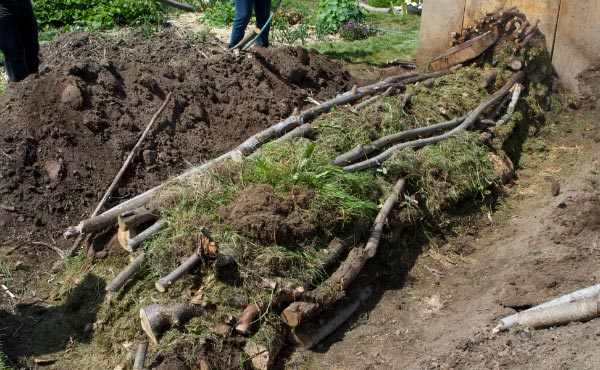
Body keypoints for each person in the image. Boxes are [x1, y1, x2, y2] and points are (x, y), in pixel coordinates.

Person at [0, 0, 40, 83]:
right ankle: (19, 87)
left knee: (31, 45)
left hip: (22, 3)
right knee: (13, 50)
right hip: (2, 7)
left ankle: (36, 85)